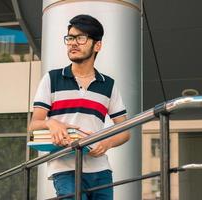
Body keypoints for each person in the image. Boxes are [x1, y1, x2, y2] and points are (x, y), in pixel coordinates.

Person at [29, 14, 130, 200]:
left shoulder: (108, 85)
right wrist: (52, 123)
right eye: (70, 38)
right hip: (64, 168)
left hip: (100, 171)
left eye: (80, 38)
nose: (73, 43)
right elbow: (34, 124)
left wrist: (106, 143)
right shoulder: (52, 78)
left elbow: (125, 131)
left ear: (97, 45)